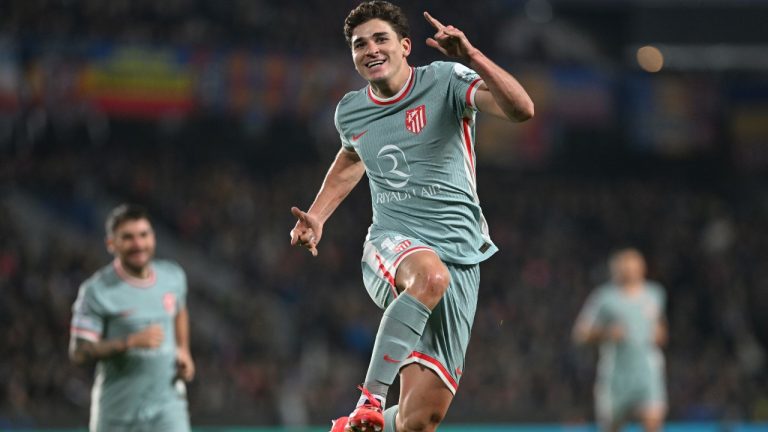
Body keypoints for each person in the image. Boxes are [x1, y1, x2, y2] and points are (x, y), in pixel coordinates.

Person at [289, 2, 534, 431]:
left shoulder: (445, 80)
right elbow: (352, 156)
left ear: (405, 46)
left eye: (380, 39)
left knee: (419, 420)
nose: (370, 49)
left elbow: (521, 110)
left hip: (462, 255)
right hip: (393, 242)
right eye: (359, 44)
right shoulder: (351, 110)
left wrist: (473, 56)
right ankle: (369, 398)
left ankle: (351, 428)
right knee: (429, 276)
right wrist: (318, 215)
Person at [69, 204, 194, 432]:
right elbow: (79, 352)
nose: (138, 244)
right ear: (111, 244)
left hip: (168, 408)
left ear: (153, 237)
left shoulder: (173, 277)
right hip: (118, 414)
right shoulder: (97, 291)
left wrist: (183, 349)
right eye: (128, 237)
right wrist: (129, 342)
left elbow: (180, 310)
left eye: (143, 235)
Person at [573, 249, 668, 432]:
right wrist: (607, 333)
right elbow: (580, 333)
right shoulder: (604, 298)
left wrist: (660, 333)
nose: (631, 272)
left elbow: (660, 325)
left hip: (647, 371)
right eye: (626, 268)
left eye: (635, 267)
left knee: (653, 422)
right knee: (612, 427)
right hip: (616, 374)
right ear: (617, 270)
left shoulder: (655, 294)